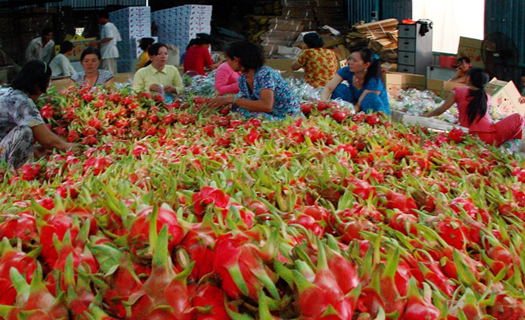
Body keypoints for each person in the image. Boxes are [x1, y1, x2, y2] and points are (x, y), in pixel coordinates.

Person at [0, 61, 77, 169]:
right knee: (25, 131)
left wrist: (32, 148)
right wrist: (68, 147)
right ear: (37, 84)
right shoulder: (22, 101)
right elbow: (46, 140)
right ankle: (15, 174)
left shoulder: (7, 92)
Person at [423, 67, 525, 147]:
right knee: (519, 118)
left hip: (469, 136)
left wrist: (425, 116)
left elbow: (440, 110)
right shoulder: (487, 97)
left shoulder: (458, 91)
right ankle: (506, 143)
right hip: (490, 137)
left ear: (469, 78)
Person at [207, 41, 300, 121]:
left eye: (228, 60)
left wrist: (231, 99)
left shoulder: (265, 74)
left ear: (236, 60)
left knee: (246, 115)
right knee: (237, 110)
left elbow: (266, 106)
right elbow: (243, 102)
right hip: (270, 114)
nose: (227, 63)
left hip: (286, 116)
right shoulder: (243, 79)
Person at [321, 46, 390, 115]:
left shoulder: (374, 80)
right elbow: (329, 88)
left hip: (370, 111)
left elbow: (358, 106)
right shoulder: (346, 70)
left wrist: (347, 113)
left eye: (355, 61)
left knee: (370, 97)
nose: (350, 62)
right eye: (350, 59)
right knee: (340, 88)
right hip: (354, 108)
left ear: (366, 64)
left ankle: (376, 122)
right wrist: (323, 104)